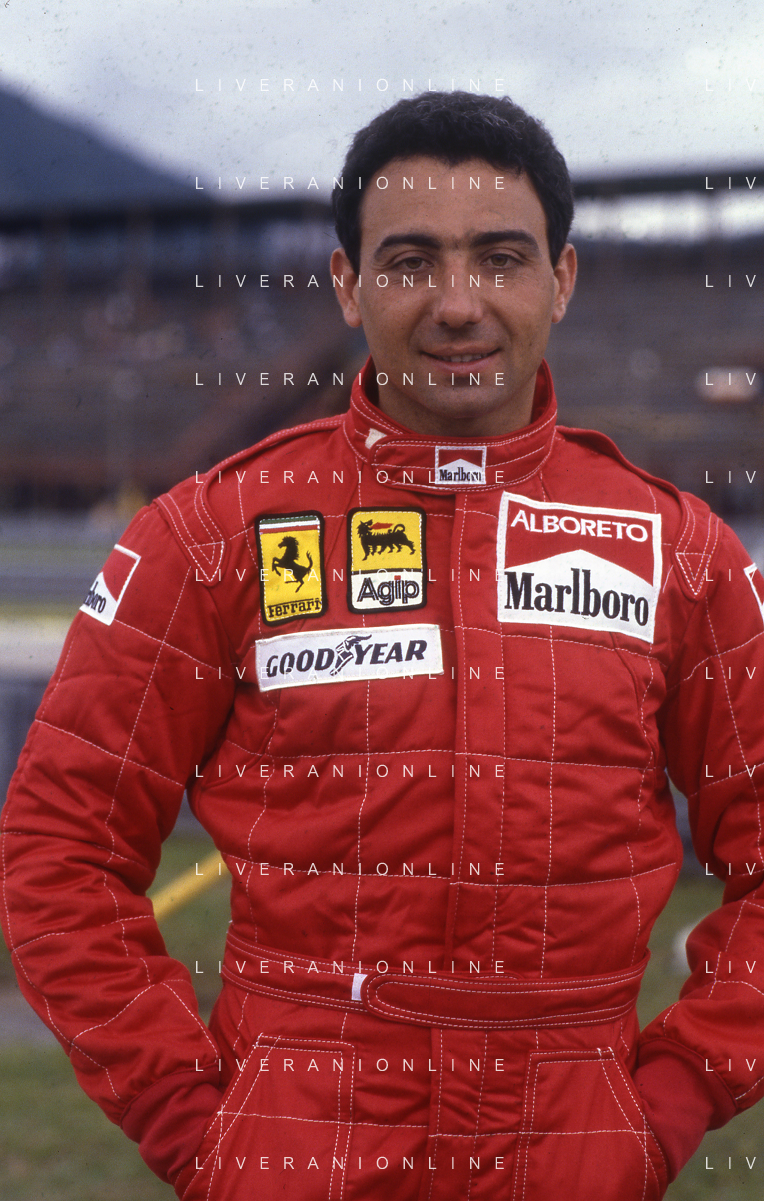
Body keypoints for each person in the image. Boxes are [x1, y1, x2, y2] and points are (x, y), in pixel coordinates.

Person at [2, 91, 763, 1201]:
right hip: (295, 1154)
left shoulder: (678, 551)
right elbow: (60, 846)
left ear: (561, 280)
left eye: (499, 257)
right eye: (410, 262)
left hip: (574, 1154)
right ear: (347, 286)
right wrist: (193, 1122)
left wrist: (671, 1098)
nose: (457, 303)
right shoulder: (211, 536)